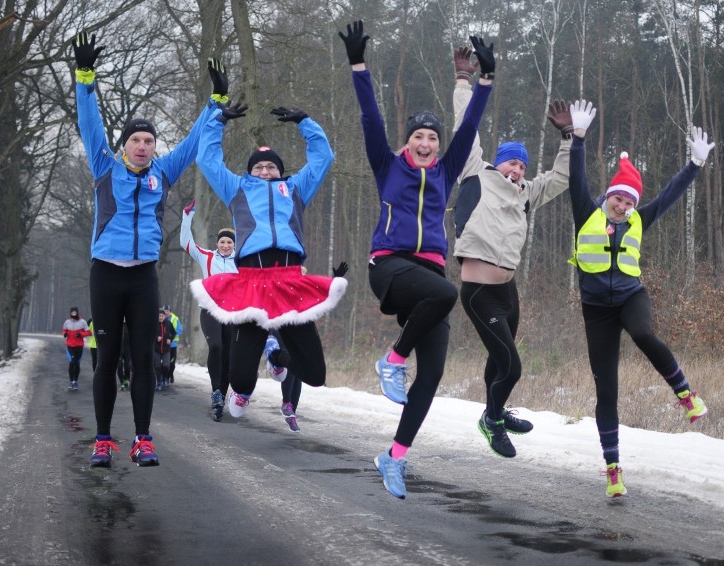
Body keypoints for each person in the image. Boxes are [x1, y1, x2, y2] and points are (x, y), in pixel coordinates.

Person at [339, 20, 494, 499]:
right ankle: (391, 360)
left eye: (432, 138)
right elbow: (370, 119)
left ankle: (394, 458)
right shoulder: (388, 166)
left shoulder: (447, 170)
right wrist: (359, 66)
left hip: (428, 276)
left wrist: (484, 81)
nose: (426, 144)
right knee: (449, 292)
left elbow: (468, 128)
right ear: (408, 142)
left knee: (433, 374)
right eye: (418, 138)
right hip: (388, 265)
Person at [70, 30, 226, 467]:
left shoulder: (164, 170)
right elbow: (89, 123)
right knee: (105, 362)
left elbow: (195, 141)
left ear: (155, 147)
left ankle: (142, 439)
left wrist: (214, 104)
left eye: (149, 141)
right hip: (106, 273)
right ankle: (102, 440)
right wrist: (85, 77)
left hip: (143, 277)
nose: (143, 146)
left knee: (144, 358)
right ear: (124, 146)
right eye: (136, 141)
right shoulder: (104, 166)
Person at [567, 99, 714, 497]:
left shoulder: (639, 218)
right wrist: (578, 138)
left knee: (645, 334)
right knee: (606, 390)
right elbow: (576, 177)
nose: (624, 206)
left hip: (632, 296)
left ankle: (686, 395)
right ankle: (613, 468)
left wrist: (695, 165)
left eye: (631, 202)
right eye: (620, 199)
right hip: (596, 310)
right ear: (610, 195)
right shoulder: (585, 211)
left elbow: (669, 194)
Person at [191, 73, 345, 421]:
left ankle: (278, 358)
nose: (264, 169)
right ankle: (244, 390)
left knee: (316, 375)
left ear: (280, 171)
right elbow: (207, 161)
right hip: (251, 283)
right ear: (249, 172)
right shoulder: (237, 189)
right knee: (240, 379)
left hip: (290, 282)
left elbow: (323, 158)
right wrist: (218, 122)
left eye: (271, 166)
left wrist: (305, 123)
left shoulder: (295, 188)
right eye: (258, 166)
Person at [450, 47, 572, 459]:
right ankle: (492, 419)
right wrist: (464, 81)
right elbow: (465, 128)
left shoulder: (526, 195)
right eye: (511, 164)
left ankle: (494, 411)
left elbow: (559, 179)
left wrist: (570, 139)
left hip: (508, 291)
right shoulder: (477, 174)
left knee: (498, 360)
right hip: (479, 290)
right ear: (498, 163)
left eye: (521, 166)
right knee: (511, 366)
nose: (516, 170)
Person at [180, 199, 237, 421]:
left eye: (229, 243)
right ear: (217, 243)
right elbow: (186, 243)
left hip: (232, 314)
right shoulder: (207, 256)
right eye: (222, 242)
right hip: (210, 311)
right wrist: (187, 217)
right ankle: (215, 393)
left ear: (234, 245)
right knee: (215, 346)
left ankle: (221, 398)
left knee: (229, 356)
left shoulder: (241, 261)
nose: (225, 245)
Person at [62, 307, 91, 390]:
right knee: (72, 362)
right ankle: (71, 382)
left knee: (77, 364)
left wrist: (81, 334)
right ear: (70, 313)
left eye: (75, 312)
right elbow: (64, 330)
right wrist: (65, 334)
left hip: (79, 346)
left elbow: (89, 332)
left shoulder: (83, 322)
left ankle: (75, 382)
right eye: (72, 313)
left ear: (77, 313)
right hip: (70, 346)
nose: (73, 314)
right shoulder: (67, 322)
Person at [154, 309, 176, 391]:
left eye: (162, 316)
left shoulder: (168, 323)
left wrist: (170, 339)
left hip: (166, 348)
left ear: (164, 316)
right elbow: (149, 334)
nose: (160, 317)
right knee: (157, 366)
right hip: (156, 349)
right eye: (159, 316)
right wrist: (156, 338)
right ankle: (159, 381)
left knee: (166, 365)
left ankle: (164, 378)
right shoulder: (154, 324)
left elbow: (174, 333)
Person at [161, 305, 182, 384]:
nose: (166, 313)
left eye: (167, 311)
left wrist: (170, 335)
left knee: (171, 363)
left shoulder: (175, 319)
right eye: (164, 311)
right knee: (163, 363)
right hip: (162, 344)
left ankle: (170, 375)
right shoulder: (160, 318)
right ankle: (163, 377)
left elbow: (180, 330)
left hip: (172, 344)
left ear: (170, 311)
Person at [116, 319, 132, 391]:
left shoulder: (130, 325)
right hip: (118, 350)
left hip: (128, 350)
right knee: (119, 366)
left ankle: (127, 380)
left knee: (127, 366)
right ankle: (122, 382)